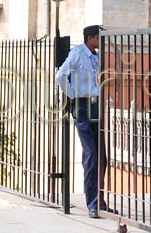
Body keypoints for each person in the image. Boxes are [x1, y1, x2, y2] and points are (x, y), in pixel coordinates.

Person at [55, 25, 106, 218]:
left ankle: (100, 201)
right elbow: (60, 76)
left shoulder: (96, 57)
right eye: (98, 38)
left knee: (101, 156)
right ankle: (92, 204)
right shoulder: (77, 53)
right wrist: (73, 94)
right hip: (83, 106)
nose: (100, 42)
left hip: (95, 105)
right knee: (91, 153)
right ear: (90, 38)